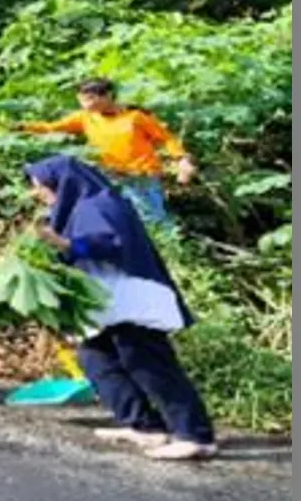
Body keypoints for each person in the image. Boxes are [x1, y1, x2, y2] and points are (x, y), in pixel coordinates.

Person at [26, 155, 217, 461]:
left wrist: (66, 245)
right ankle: (143, 425)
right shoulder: (79, 208)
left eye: (40, 186)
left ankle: (195, 435)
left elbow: (109, 243)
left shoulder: (98, 204)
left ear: (60, 183)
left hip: (133, 299)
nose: (38, 193)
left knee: (150, 366)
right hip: (108, 302)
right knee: (96, 359)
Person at [19, 78, 195, 224]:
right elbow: (53, 127)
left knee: (151, 216)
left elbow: (166, 138)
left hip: (141, 175)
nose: (84, 104)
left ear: (108, 96)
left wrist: (181, 158)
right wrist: (22, 127)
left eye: (89, 99)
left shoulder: (136, 117)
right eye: (81, 100)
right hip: (110, 175)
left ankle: (169, 251)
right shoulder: (85, 117)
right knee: (117, 216)